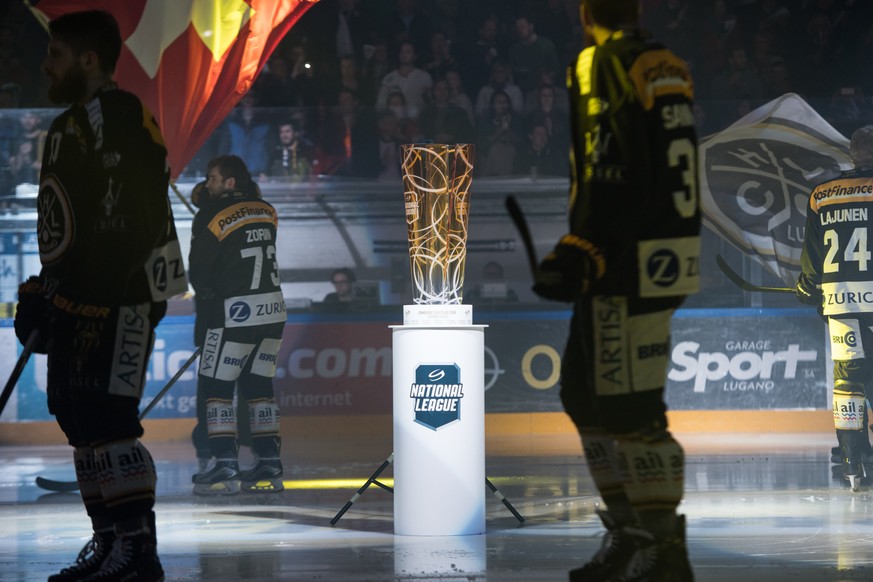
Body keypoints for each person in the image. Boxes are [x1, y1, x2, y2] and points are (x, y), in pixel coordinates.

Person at [14, 10, 187, 581]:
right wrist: (46, 289)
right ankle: (110, 540)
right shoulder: (71, 124)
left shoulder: (115, 115)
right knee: (77, 412)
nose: (46, 65)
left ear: (88, 60)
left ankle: (137, 551)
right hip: (78, 298)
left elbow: (123, 223)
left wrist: (72, 293)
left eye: (57, 55)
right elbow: (68, 225)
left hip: (120, 299)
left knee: (109, 418)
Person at [532, 2, 700, 580]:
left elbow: (611, 162)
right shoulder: (664, 61)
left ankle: (659, 549)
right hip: (663, 249)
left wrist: (586, 248)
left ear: (585, 12)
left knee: (630, 409)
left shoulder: (600, 61)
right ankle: (633, 536)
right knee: (584, 394)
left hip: (625, 261)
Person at [188, 155, 287, 496]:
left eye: (212, 178)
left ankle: (224, 462)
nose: (207, 183)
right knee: (260, 388)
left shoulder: (210, 215)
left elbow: (199, 272)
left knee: (217, 389)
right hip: (273, 312)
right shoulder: (267, 210)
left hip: (233, 313)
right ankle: (269, 460)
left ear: (230, 182)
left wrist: (210, 310)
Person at [796, 125, 873, 491]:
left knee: (848, 382)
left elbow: (812, 256)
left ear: (852, 155)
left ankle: (851, 462)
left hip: (841, 303)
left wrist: (808, 288)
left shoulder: (822, 195)